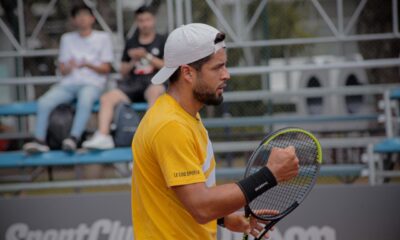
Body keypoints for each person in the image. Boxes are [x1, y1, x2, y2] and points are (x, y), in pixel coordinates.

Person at [131, 23, 299, 239]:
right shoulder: (171, 126)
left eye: (225, 66)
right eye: (217, 67)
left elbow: (182, 195)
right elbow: (201, 206)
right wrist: (270, 174)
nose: (226, 75)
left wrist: (224, 218)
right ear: (187, 73)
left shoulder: (181, 115)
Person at [23, 4, 113, 153]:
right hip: (69, 84)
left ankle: (74, 138)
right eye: (78, 16)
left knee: (85, 100)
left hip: (92, 83)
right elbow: (63, 70)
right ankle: (39, 140)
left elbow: (106, 68)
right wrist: (69, 66)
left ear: (92, 18)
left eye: (85, 15)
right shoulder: (67, 38)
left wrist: (87, 64)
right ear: (73, 20)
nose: (82, 19)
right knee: (44, 102)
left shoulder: (103, 38)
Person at [82, 6, 166, 150]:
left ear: (153, 20)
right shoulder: (131, 41)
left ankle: (149, 136)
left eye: (147, 20)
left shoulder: (162, 40)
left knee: (156, 92)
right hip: (132, 84)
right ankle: (103, 136)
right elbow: (122, 71)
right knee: (106, 98)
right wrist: (134, 60)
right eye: (141, 20)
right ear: (136, 22)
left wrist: (146, 56)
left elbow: (167, 66)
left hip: (153, 82)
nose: (144, 24)